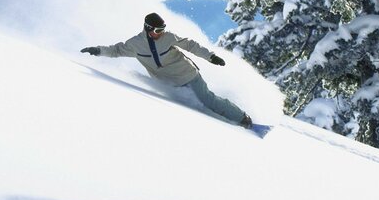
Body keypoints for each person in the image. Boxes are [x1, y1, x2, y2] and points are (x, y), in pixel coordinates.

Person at [80, 12, 253, 129]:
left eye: (163, 29)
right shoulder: (135, 44)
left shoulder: (168, 37)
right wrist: (98, 50)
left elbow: (190, 45)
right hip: (169, 83)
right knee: (194, 110)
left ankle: (242, 118)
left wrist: (211, 56)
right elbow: (116, 50)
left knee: (207, 99)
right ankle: (224, 124)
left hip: (188, 75)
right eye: (158, 30)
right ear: (148, 29)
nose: (162, 33)